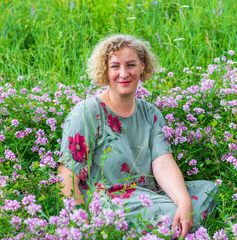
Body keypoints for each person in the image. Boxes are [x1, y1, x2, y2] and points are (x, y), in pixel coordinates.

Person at [57, 34, 217, 236]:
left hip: (148, 195)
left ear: (142, 66)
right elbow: (66, 177)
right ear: (105, 70)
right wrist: (85, 226)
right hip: (108, 201)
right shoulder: (88, 112)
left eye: (130, 65)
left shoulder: (150, 113)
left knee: (208, 190)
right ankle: (168, 227)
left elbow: (163, 164)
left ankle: (167, 225)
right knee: (173, 213)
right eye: (115, 66)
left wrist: (184, 202)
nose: (123, 73)